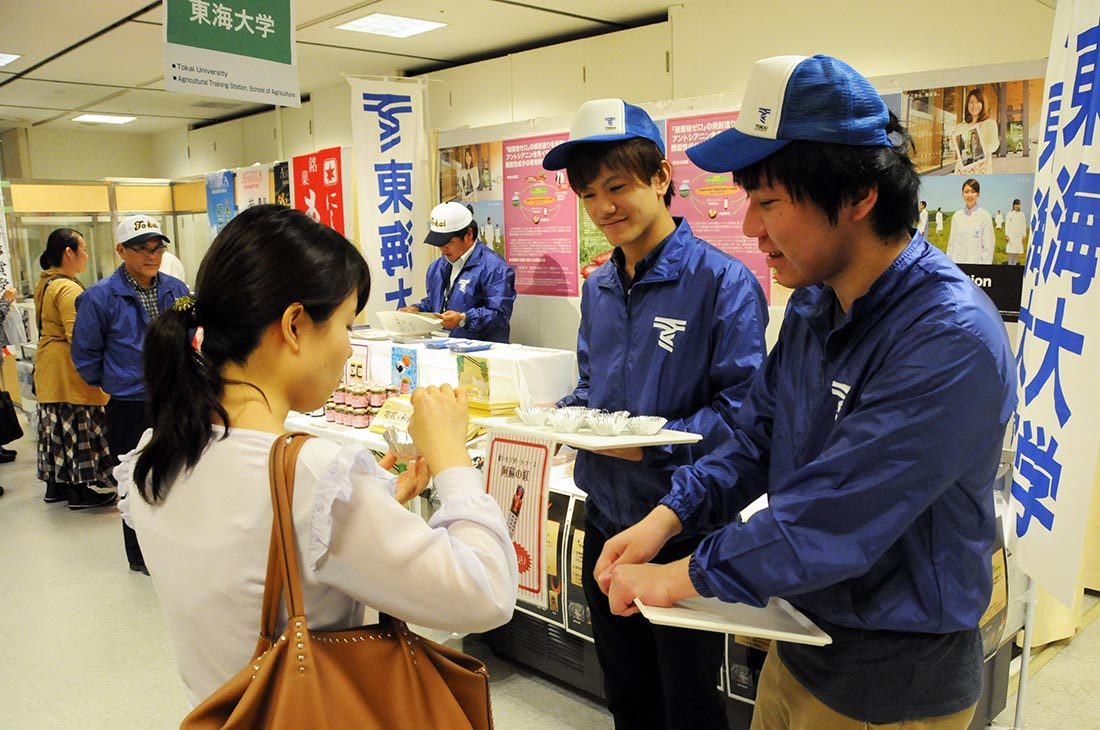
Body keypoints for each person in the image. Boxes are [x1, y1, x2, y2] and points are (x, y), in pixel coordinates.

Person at [594, 55, 1015, 730]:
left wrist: (683, 576)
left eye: (768, 203)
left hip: (893, 683)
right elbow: (756, 436)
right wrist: (666, 519)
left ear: (857, 197)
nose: (751, 230)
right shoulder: (816, 304)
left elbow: (836, 516)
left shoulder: (948, 337)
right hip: (800, 639)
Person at [115, 204, 517, 707]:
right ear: (295, 325)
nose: (349, 348)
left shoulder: (155, 455)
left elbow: (257, 545)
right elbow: (485, 593)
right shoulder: (312, 475)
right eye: (346, 325)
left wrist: (372, 503)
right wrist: (453, 462)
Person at [541, 98, 768, 730]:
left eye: (618, 187)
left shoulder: (723, 282)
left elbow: (745, 410)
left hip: (680, 527)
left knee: (688, 700)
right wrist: (555, 416)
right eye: (589, 196)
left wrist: (657, 447)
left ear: (662, 178)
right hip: (606, 517)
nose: (604, 208)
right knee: (627, 692)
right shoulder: (599, 287)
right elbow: (592, 388)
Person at [71, 214, 190, 573]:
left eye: (157, 248)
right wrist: (115, 381)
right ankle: (140, 555)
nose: (151, 256)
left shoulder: (175, 289)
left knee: (178, 471)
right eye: (141, 249)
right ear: (122, 250)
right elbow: (85, 354)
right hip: (128, 402)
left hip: (173, 396)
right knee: (132, 477)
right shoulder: (99, 297)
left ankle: (174, 545)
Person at [33, 229, 113, 508]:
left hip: (49, 368)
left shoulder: (46, 282)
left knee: (55, 429)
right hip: (67, 370)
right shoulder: (67, 287)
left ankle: (56, 487)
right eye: (84, 249)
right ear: (69, 253)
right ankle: (81, 491)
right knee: (77, 427)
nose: (87, 256)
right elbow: (78, 335)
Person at [400, 201, 516, 343]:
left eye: (447, 242)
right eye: (438, 243)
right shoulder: (437, 267)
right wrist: (417, 309)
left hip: (481, 354)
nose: (442, 248)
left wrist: (463, 319)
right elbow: (436, 302)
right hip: (443, 347)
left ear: (468, 234)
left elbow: (499, 316)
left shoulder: (495, 267)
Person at [946, 178, 995, 264]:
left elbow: (988, 248)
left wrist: (983, 270)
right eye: (966, 191)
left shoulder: (985, 216)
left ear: (978, 194)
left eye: (973, 191)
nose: (969, 195)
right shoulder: (957, 216)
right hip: (957, 265)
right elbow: (951, 244)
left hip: (976, 268)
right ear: (962, 193)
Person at [952, 88, 999, 175]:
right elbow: (953, 146)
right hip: (963, 170)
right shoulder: (960, 126)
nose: (974, 106)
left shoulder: (990, 123)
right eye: (971, 102)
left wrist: (980, 148)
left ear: (983, 104)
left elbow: (994, 145)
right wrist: (953, 142)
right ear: (967, 105)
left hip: (981, 168)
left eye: (978, 102)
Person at [1004, 198, 1028, 265]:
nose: (1017, 206)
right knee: (1010, 251)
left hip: (1019, 235)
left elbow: (1024, 225)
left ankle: (1014, 264)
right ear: (1013, 205)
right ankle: (1009, 264)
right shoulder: (1009, 214)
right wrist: (1007, 235)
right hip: (1011, 235)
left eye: (1018, 204)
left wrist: (1024, 235)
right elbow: (1007, 225)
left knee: (1017, 251)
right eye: (1016, 204)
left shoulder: (1022, 214)